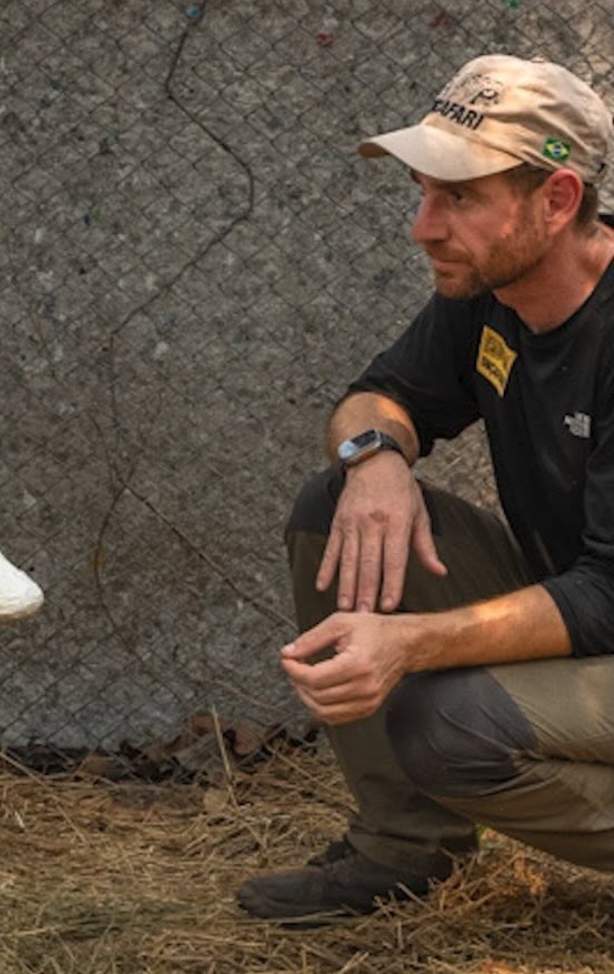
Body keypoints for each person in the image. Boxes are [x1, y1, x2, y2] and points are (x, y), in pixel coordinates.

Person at [236, 53, 614, 922]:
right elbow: (382, 396)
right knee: (333, 507)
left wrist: (409, 645)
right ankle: (404, 851)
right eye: (422, 192)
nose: (423, 227)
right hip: (587, 605)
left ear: (557, 202)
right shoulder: (494, 286)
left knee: (449, 723)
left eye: (459, 197)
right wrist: (375, 461)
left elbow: (608, 597)